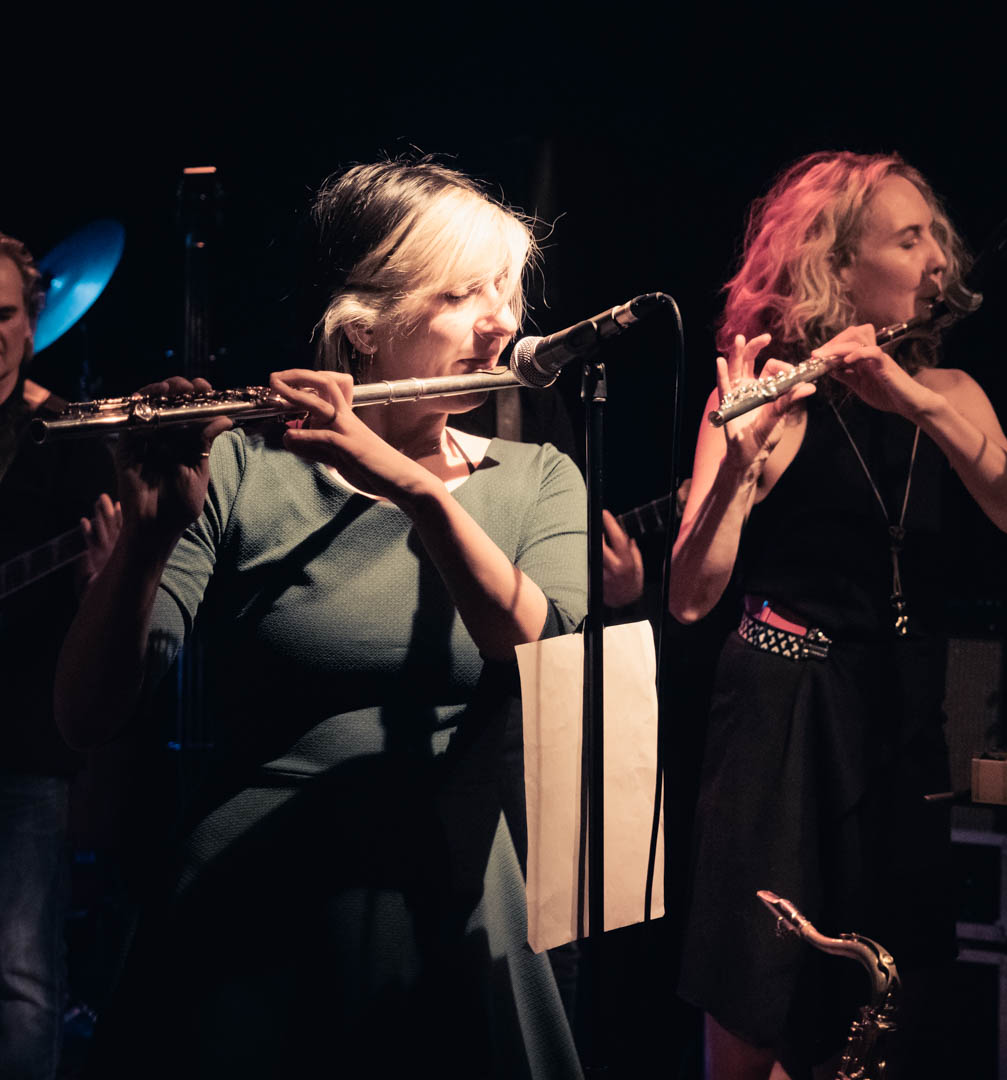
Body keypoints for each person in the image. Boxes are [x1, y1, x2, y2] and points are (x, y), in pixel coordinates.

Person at [54, 161, 588, 1078]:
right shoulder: (243, 467)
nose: (502, 322)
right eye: (461, 294)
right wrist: (146, 539)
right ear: (363, 326)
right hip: (251, 906)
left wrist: (414, 489)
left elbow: (538, 650)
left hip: (452, 906)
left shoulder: (538, 480)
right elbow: (88, 715)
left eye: (505, 293)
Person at [670, 151, 1007, 1079]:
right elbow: (690, 593)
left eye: (936, 238)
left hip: (899, 710)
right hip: (784, 710)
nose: (939, 261)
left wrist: (911, 398)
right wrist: (738, 460)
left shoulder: (951, 395)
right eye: (909, 239)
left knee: (886, 997)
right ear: (837, 266)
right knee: (759, 993)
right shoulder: (772, 397)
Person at [0, 231, 116, 1080]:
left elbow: (103, 612)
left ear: (32, 324)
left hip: (21, 745)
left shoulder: (66, 437)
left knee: (21, 976)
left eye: (3, 315)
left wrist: (108, 580)